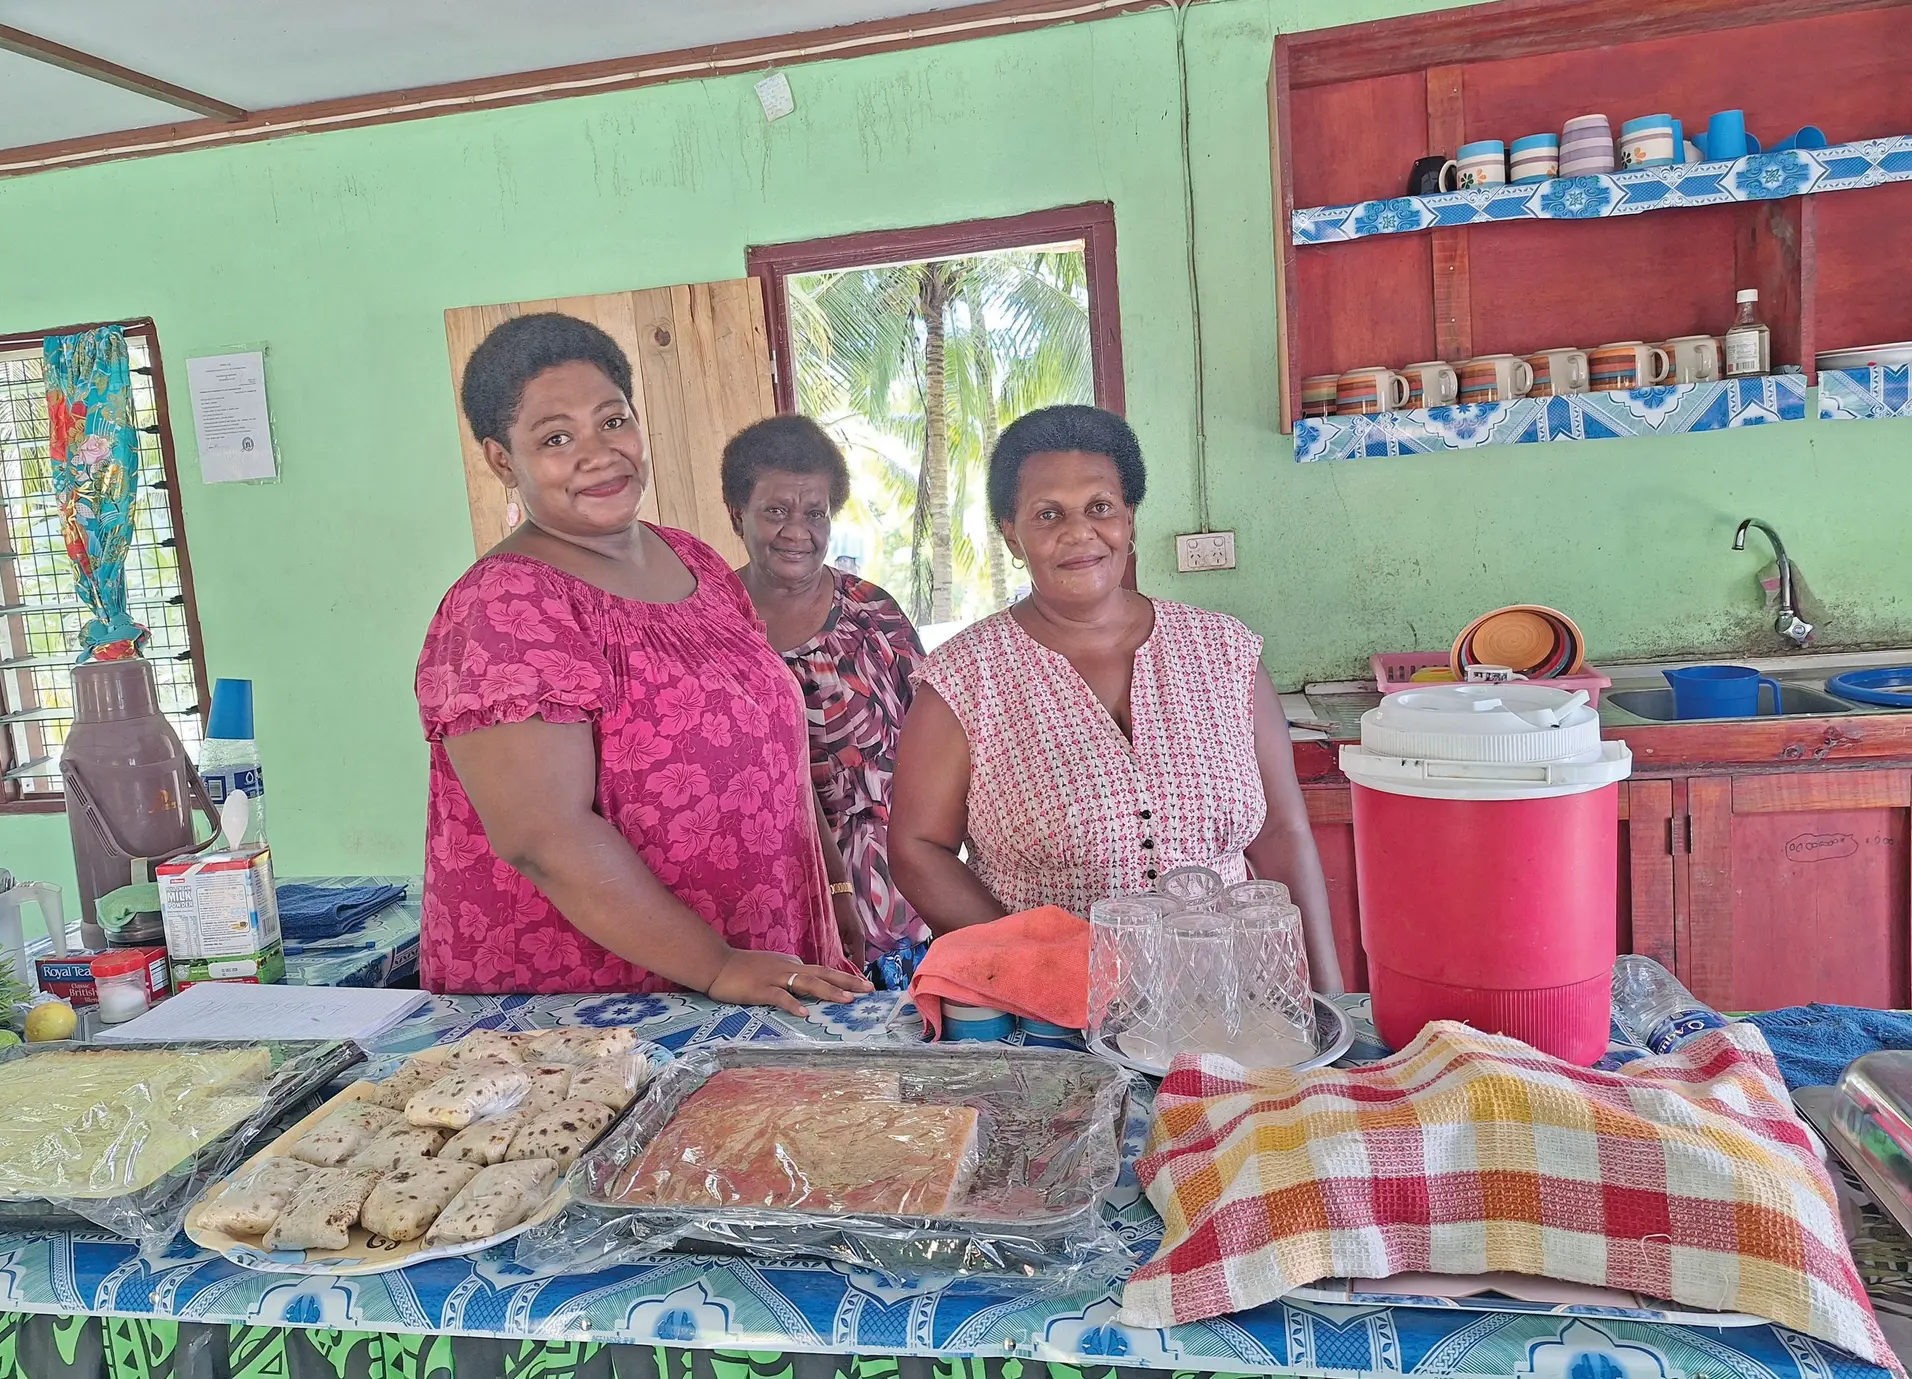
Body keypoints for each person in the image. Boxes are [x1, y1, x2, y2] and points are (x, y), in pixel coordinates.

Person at [414, 312, 870, 1013]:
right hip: (601, 1006)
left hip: (758, 961)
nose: (598, 454)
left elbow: (772, 745)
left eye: (612, 421)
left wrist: (832, 887)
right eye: (556, 438)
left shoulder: (696, 562)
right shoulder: (504, 605)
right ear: (503, 459)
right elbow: (545, 836)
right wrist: (715, 965)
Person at [887, 404, 1345, 993]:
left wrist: (1330, 997)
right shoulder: (967, 678)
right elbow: (917, 848)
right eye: (1048, 514)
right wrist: (1046, 966)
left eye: (1099, 507)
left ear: (1129, 516)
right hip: (1054, 1020)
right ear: (1011, 533)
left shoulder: (1224, 652)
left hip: (1236, 1003)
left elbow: (1283, 834)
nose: (1079, 533)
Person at [723, 415, 929, 963]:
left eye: (814, 513)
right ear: (736, 513)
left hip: (891, 896)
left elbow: (939, 747)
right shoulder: (709, 623)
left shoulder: (872, 615)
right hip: (761, 898)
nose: (798, 531)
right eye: (775, 511)